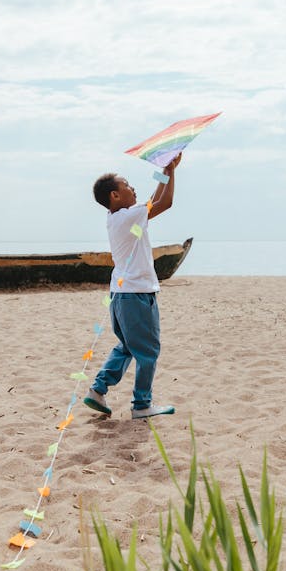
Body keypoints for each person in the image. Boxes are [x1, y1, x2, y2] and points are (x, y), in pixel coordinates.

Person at [84, 153, 182, 419]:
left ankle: (98, 389)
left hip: (121, 295)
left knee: (128, 346)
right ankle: (142, 405)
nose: (132, 188)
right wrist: (170, 172)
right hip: (136, 295)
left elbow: (152, 201)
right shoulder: (128, 217)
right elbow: (165, 202)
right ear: (115, 196)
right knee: (148, 350)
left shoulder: (118, 218)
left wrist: (166, 169)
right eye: (126, 185)